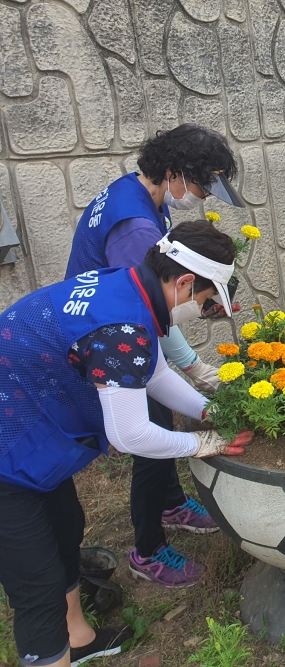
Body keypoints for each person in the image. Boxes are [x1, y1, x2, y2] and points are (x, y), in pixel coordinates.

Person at [0, 220, 252, 667]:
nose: (203, 310)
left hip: (27, 434)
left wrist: (209, 413)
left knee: (65, 528)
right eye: (207, 301)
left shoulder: (129, 286)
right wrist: (202, 442)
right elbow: (130, 434)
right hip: (9, 447)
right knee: (35, 585)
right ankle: (47, 651)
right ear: (185, 282)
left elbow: (152, 372)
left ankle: (77, 639)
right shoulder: (122, 325)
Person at [65, 124, 243, 586]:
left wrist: (202, 399)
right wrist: (197, 374)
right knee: (152, 437)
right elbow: (145, 320)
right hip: (95, 345)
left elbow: (152, 332)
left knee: (163, 413)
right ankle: (148, 551)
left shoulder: (142, 197)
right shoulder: (136, 227)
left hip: (109, 334)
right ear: (172, 171)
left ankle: (172, 504)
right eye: (202, 185)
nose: (203, 196)